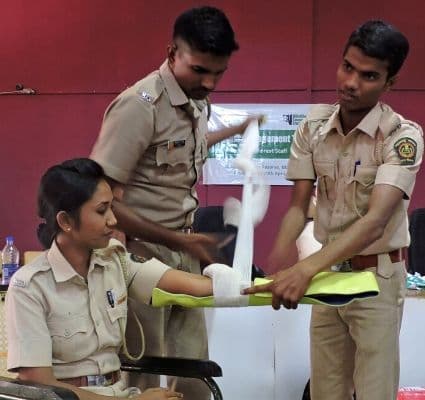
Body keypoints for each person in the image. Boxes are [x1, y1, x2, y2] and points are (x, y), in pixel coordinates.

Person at [245, 20, 423, 400]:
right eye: (347, 66)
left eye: (369, 75)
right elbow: (298, 206)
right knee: (326, 391)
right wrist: (280, 259)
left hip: (376, 279)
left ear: (389, 83)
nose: (351, 82)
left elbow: (375, 222)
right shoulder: (312, 126)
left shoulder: (402, 137)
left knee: (375, 392)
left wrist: (304, 268)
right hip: (327, 277)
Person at [90, 6, 253, 399]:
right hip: (139, 256)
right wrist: (179, 242)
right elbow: (100, 200)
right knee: (144, 372)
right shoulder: (138, 106)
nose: (210, 82)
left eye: (219, 72)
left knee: (192, 368)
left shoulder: (195, 102)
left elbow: (184, 152)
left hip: (184, 250)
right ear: (171, 54)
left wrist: (238, 129)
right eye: (199, 70)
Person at [5, 158, 216, 400]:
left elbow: (191, 286)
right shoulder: (30, 287)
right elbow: (38, 383)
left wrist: (248, 285)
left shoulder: (114, 260)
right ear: (65, 221)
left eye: (112, 208)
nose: (113, 220)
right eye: (101, 210)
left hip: (119, 392)